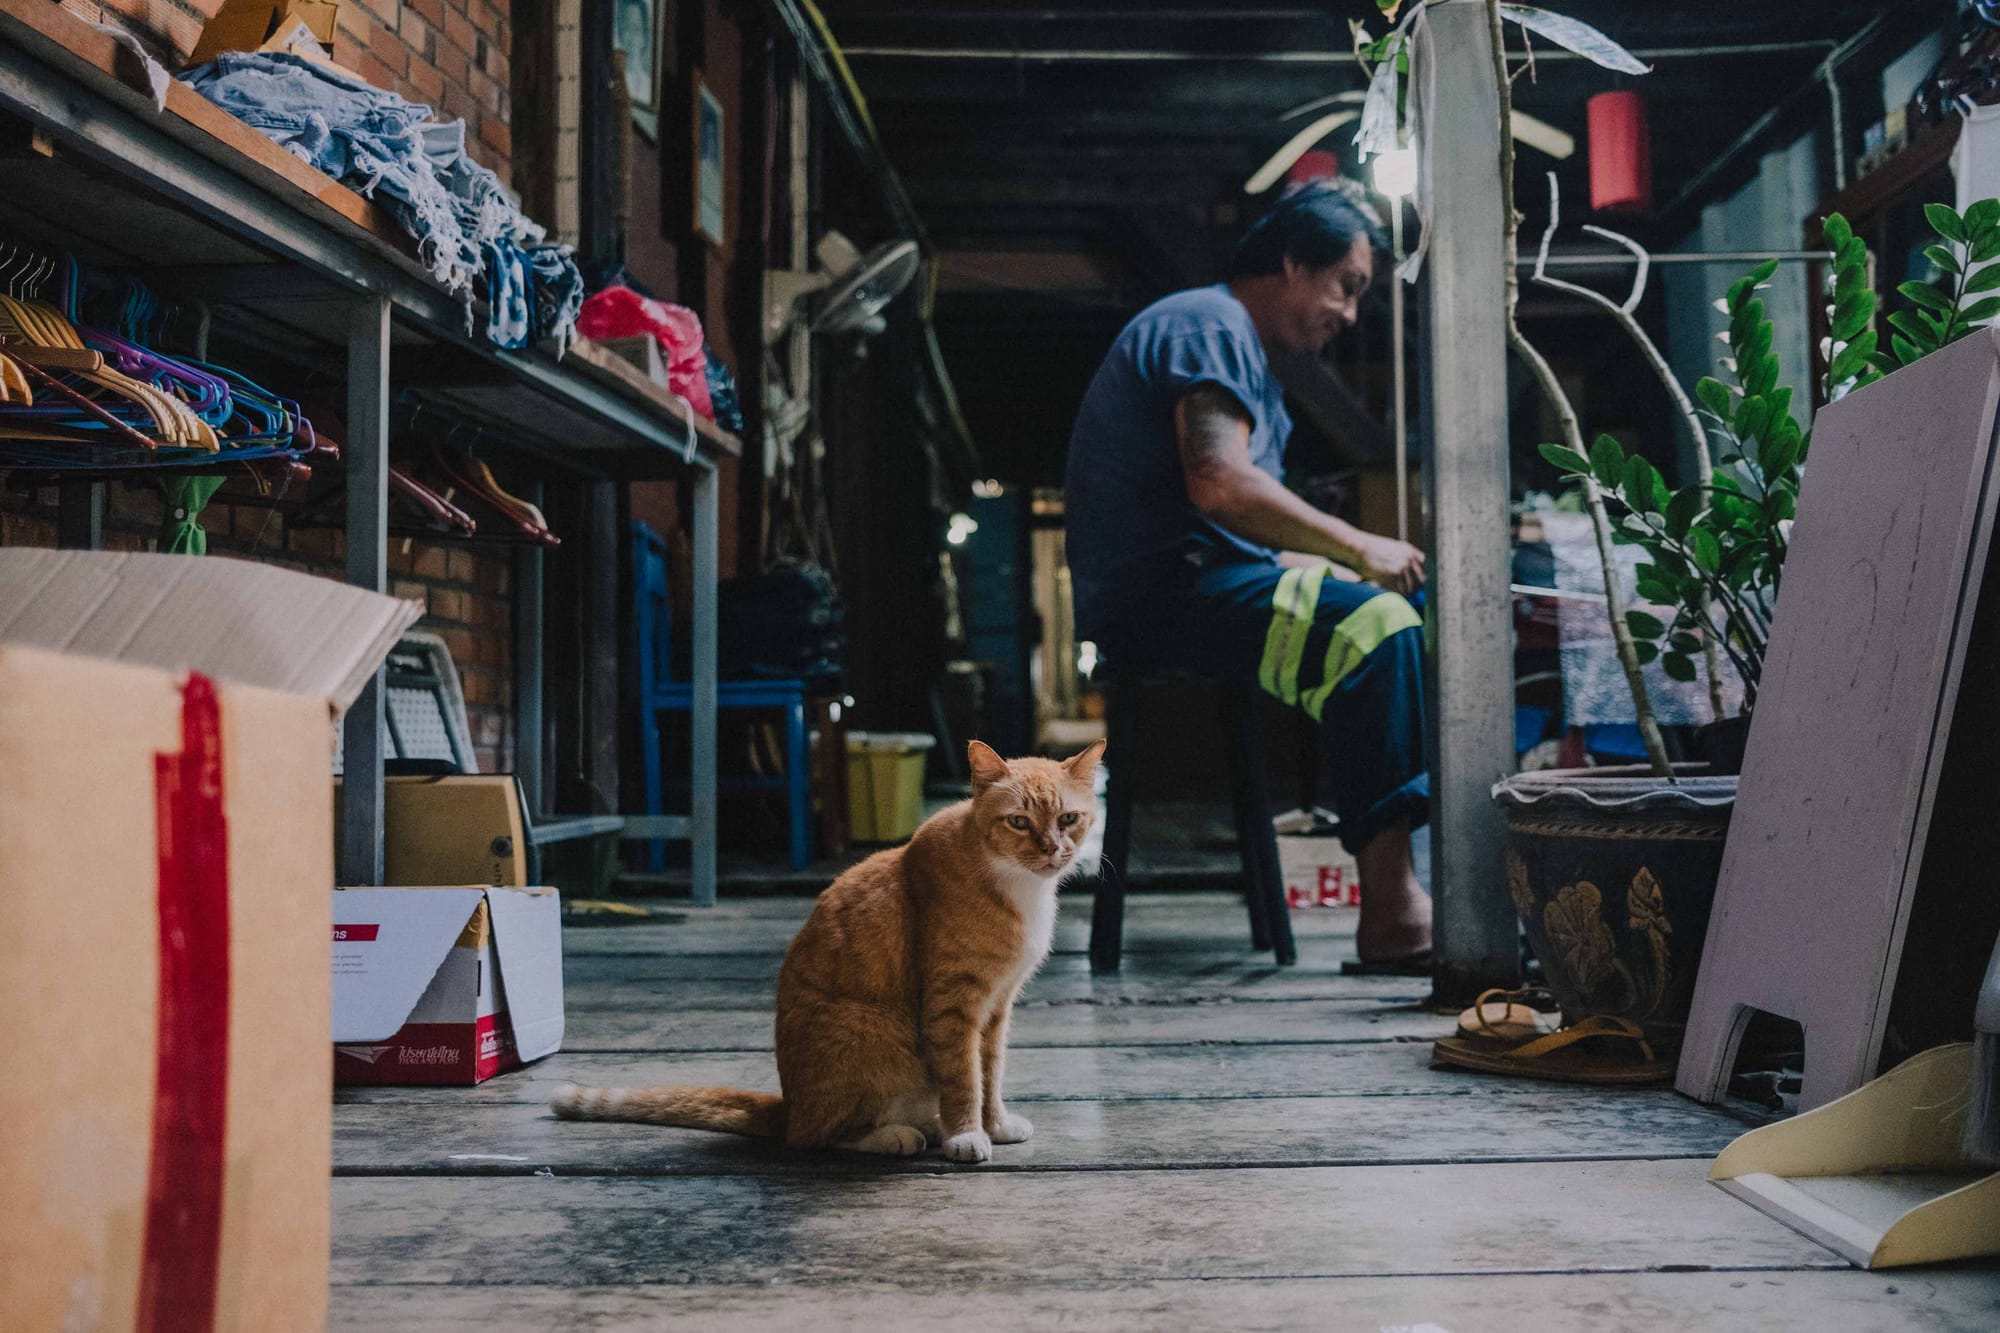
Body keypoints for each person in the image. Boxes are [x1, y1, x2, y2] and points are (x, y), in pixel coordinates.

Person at [1064, 183, 1433, 969]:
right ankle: (1396, 914)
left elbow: (1242, 532)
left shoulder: (1247, 359)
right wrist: (1358, 547)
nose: (1350, 313)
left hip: (1199, 582)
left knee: (1405, 606)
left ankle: (1427, 880)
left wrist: (1349, 563)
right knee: (1378, 628)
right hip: (1162, 598)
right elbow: (1219, 483)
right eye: (1347, 285)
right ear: (1293, 263)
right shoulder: (1210, 322)